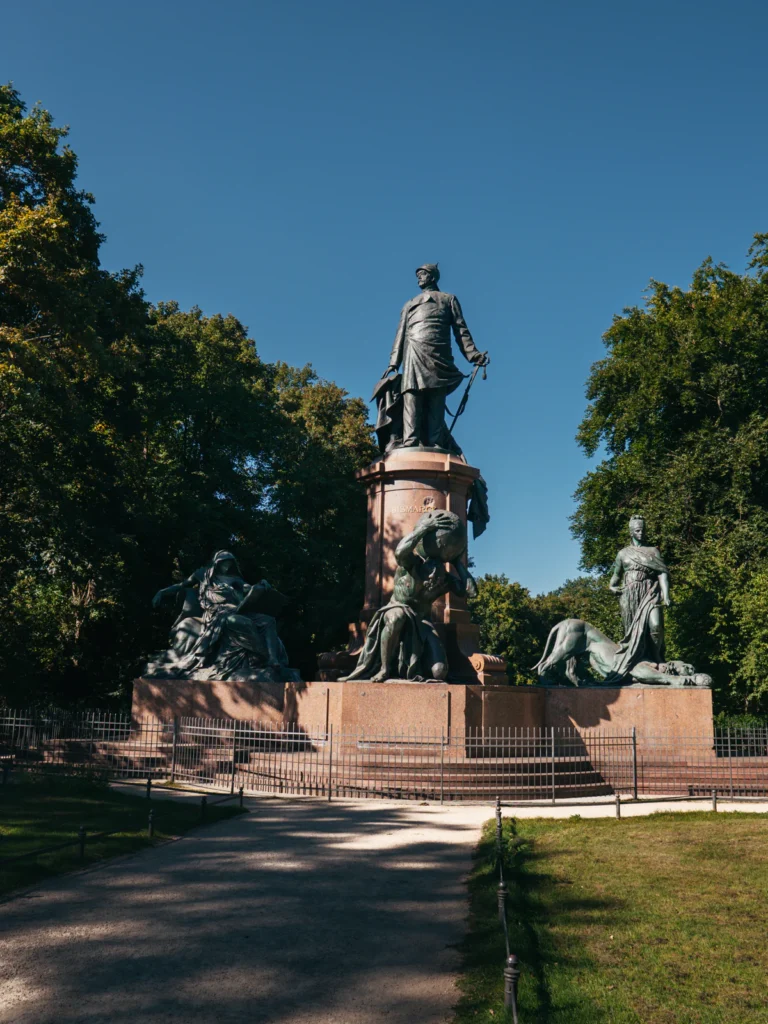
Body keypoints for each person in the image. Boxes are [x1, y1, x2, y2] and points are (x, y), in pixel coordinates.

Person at [342, 509, 475, 681]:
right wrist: (423, 529)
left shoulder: (445, 580)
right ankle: (384, 669)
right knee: (396, 618)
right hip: (397, 608)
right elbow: (399, 553)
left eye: (438, 577)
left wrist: (457, 562)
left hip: (422, 621)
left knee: (439, 672)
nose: (434, 580)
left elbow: (471, 591)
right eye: (431, 575)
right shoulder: (411, 565)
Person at [378, 264, 489, 449]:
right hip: (413, 352)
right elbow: (400, 335)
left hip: (438, 354)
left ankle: (436, 441)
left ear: (433, 277)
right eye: (418, 275)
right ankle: (410, 440)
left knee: (436, 397)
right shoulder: (409, 304)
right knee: (411, 394)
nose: (419, 278)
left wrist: (473, 354)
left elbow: (461, 330)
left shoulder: (448, 299)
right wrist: (393, 363)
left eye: (422, 274)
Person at [151, 550, 289, 679]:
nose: (227, 566)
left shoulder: (235, 580)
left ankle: (273, 659)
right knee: (238, 622)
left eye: (230, 563)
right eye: (224, 563)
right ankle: (262, 656)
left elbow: (249, 589)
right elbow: (182, 585)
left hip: (238, 609)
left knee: (268, 620)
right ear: (217, 563)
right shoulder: (203, 574)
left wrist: (261, 585)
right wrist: (162, 592)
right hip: (218, 612)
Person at [608, 516, 670, 676]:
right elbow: (616, 575)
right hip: (629, 595)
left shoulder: (653, 551)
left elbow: (662, 573)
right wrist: (612, 586)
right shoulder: (623, 553)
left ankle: (657, 658)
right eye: (637, 530)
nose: (641, 533)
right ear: (631, 532)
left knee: (655, 626)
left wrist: (666, 595)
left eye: (643, 530)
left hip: (649, 592)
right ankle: (637, 662)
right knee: (633, 631)